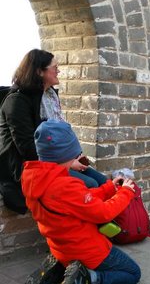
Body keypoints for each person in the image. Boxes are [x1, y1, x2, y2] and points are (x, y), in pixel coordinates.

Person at [22, 119, 141, 284]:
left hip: (61, 246)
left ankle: (61, 269)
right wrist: (126, 192)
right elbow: (103, 213)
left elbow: (79, 199)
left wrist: (108, 188)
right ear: (67, 153)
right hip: (84, 248)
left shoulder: (34, 178)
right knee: (133, 273)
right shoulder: (64, 185)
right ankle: (87, 278)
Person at [0, 49, 107, 214]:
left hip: (54, 162)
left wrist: (74, 156)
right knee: (89, 185)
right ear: (39, 71)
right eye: (54, 67)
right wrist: (68, 163)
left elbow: (60, 136)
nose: (59, 70)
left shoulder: (49, 96)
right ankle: (84, 234)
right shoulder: (17, 102)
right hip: (31, 168)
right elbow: (28, 149)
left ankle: (103, 229)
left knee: (103, 181)